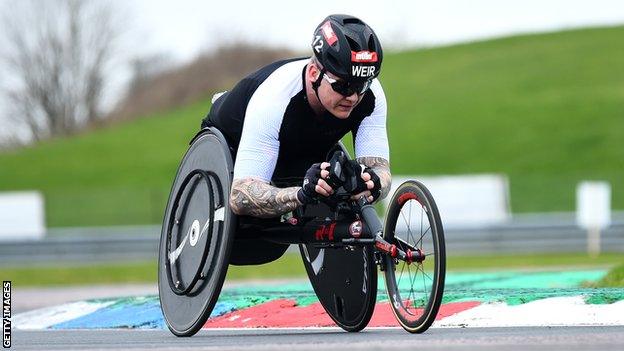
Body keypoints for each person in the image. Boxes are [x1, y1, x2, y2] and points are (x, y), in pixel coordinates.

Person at [202, 14, 391, 219]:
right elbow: (240, 197)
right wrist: (301, 193)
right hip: (234, 134)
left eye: (362, 85)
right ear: (313, 74)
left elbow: (381, 169)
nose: (353, 97)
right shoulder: (274, 98)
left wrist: (371, 182)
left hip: (301, 140)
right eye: (343, 86)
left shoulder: (372, 96)